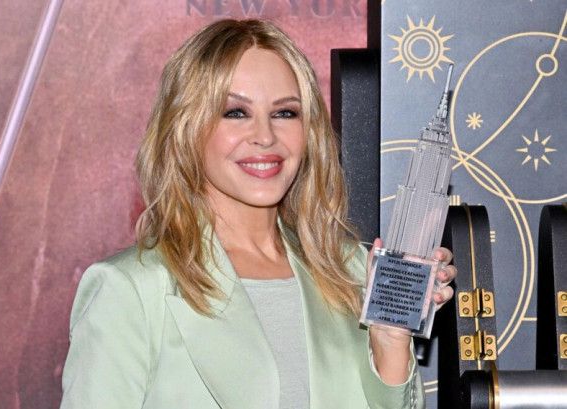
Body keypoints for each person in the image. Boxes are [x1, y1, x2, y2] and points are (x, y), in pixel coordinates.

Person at [60, 19, 456, 409]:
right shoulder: (130, 290)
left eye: (285, 113)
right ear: (185, 129)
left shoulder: (350, 270)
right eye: (235, 112)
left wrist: (389, 340)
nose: (265, 137)